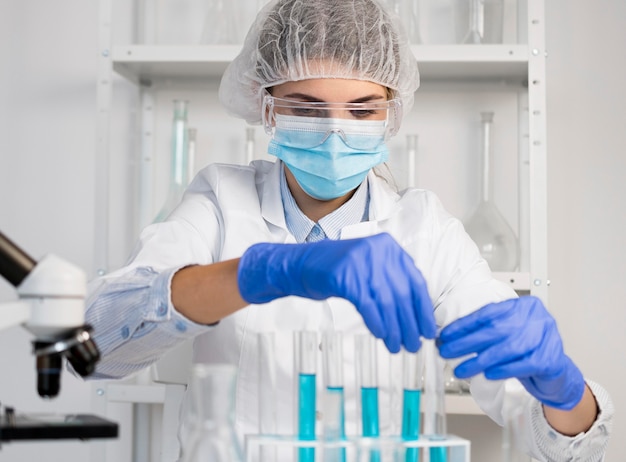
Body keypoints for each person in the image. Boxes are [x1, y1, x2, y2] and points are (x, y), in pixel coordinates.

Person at [84, 0, 613, 460]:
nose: (336, 132)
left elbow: (565, 445)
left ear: (392, 113)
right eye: (307, 109)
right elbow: (100, 345)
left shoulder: (424, 230)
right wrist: (264, 271)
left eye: (363, 110)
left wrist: (563, 390)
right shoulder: (221, 200)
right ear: (265, 107)